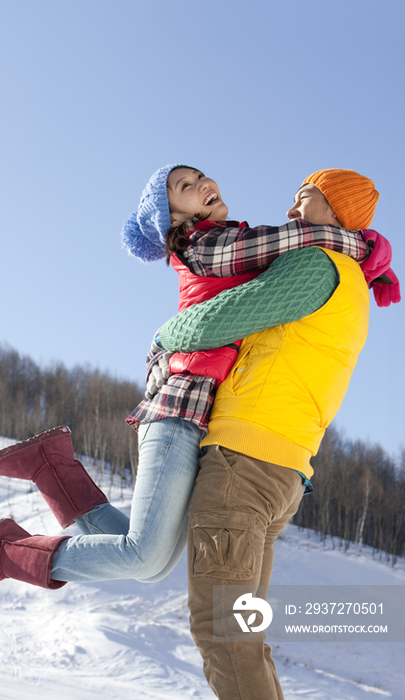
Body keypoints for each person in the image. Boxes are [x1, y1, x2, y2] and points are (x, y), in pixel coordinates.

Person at [0, 166, 388, 607]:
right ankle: (6, 553)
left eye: (200, 176)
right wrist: (360, 244)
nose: (202, 185)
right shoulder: (205, 244)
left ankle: (51, 470)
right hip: (179, 407)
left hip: (201, 416)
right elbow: (291, 240)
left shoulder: (230, 239)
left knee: (150, 563)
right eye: (185, 186)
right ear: (174, 217)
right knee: (145, 557)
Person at [150, 169, 400, 700]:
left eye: (303, 199)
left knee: (224, 635)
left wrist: (164, 336)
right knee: (240, 635)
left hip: (245, 462)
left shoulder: (317, 265)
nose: (290, 211)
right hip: (278, 467)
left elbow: (217, 320)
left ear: (334, 211)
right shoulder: (350, 279)